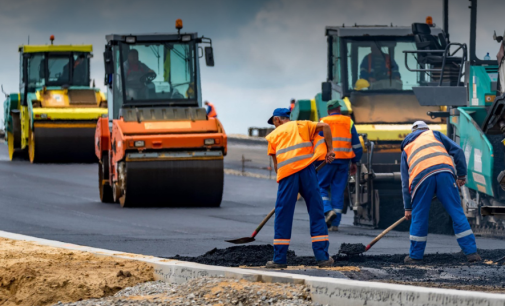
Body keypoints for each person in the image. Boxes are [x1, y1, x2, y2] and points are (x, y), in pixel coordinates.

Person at [401, 121, 481, 263]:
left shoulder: (407, 147)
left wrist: (408, 207)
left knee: (419, 216)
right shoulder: (435, 134)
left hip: (421, 179)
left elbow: (405, 180)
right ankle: (471, 253)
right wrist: (461, 175)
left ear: (412, 133)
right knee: (457, 213)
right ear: (426, 129)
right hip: (445, 173)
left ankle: (415, 256)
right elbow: (458, 151)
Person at [265, 108, 335, 268]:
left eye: (274, 123)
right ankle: (322, 258)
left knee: (283, 215)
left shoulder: (273, 136)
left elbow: (276, 166)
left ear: (277, 120)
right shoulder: (303, 125)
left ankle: (279, 259)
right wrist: (330, 149)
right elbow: (325, 127)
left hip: (287, 175)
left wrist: (287, 187)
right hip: (308, 171)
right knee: (317, 213)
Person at [315, 99, 363, 231]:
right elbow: (357, 145)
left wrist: (315, 161)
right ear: (339, 109)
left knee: (320, 187)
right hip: (344, 161)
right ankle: (335, 224)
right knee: (338, 191)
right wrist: (355, 161)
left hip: (326, 161)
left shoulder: (323, 121)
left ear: (329, 110)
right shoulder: (348, 121)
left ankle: (327, 210)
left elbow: (317, 142)